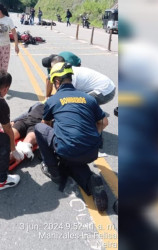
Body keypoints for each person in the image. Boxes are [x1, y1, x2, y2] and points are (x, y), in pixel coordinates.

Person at [34, 62, 109, 211]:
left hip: (67, 149)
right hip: (92, 151)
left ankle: (53, 171)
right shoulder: (88, 98)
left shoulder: (53, 100)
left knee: (38, 128)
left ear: (57, 81)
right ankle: (91, 181)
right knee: (73, 162)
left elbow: (45, 125)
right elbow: (104, 122)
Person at [43, 53, 116, 105]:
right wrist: (48, 96)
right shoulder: (67, 70)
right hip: (106, 86)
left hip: (105, 91)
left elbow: (66, 95)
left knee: (77, 103)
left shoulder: (71, 77)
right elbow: (49, 80)